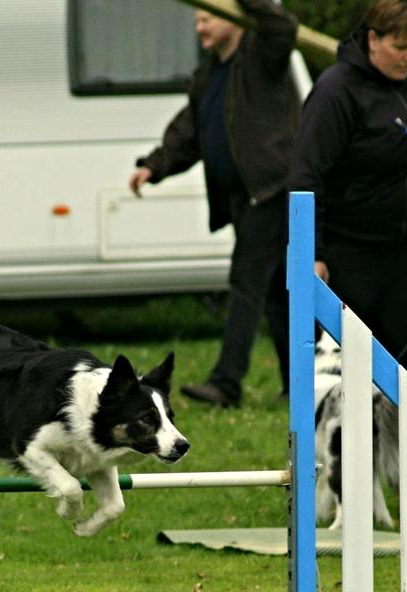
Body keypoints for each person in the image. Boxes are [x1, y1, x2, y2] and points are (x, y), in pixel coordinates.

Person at [287, 0, 407, 487]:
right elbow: (308, 173)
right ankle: (338, 477)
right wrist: (311, 252)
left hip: (405, 248)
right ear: (372, 38)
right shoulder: (335, 91)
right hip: (348, 252)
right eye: (400, 47)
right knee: (350, 369)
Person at [129, 0, 299, 408]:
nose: (199, 28)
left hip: (272, 190)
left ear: (231, 16)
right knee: (277, 291)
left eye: (206, 18)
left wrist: (247, 2)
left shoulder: (261, 57)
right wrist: (154, 166)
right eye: (197, 20)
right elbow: (190, 132)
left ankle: (226, 383)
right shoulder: (209, 75)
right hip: (244, 197)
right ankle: (301, 382)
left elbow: (283, 28)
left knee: (246, 281)